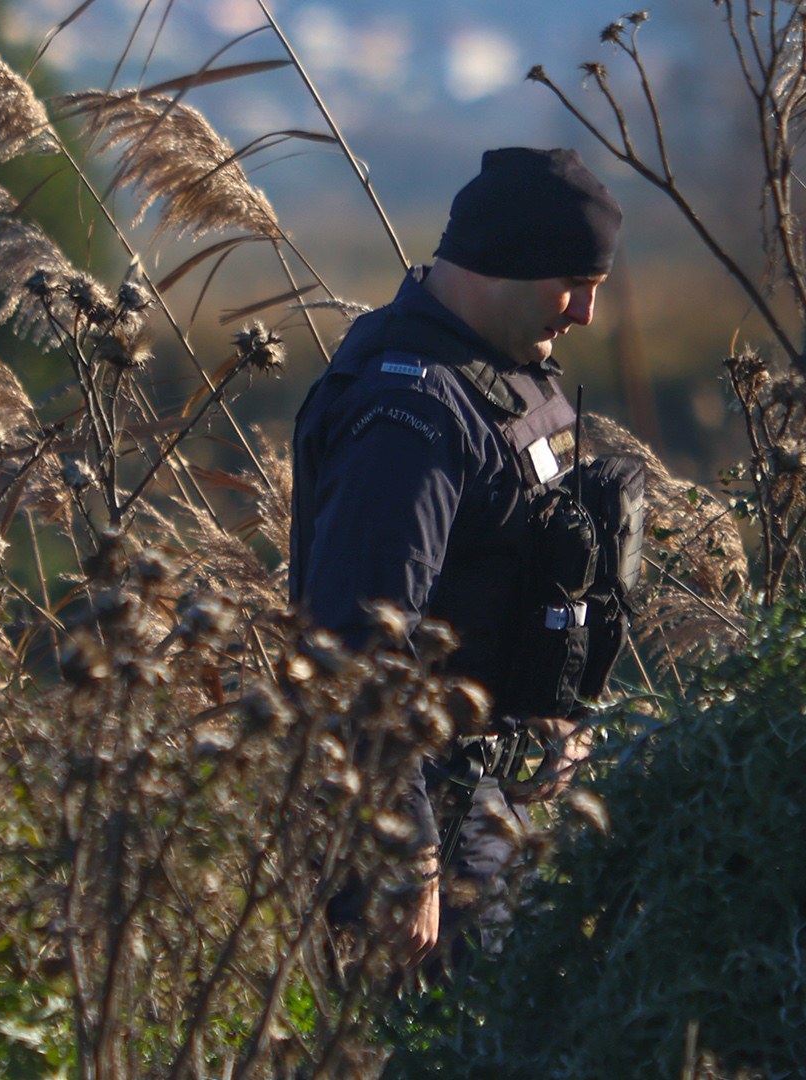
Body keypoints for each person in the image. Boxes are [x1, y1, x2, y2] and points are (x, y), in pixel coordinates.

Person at [291, 147, 630, 962]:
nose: (584, 313)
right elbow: (358, 642)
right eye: (572, 284)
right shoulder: (408, 411)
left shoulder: (492, 385)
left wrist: (551, 723)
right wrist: (405, 850)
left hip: (480, 799)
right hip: (418, 815)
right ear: (506, 263)